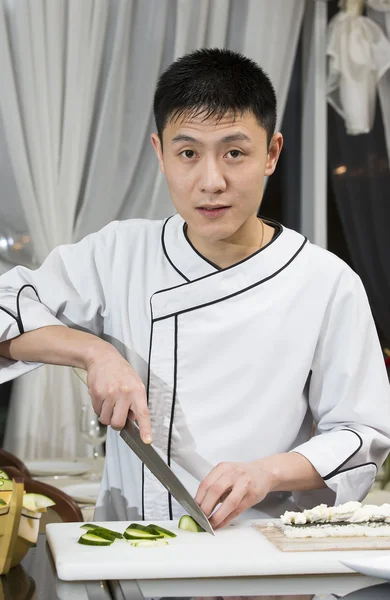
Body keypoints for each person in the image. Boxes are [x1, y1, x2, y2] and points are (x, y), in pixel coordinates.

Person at [0, 49, 389, 529]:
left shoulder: (326, 282)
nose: (211, 181)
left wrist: (266, 473)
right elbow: (5, 307)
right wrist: (93, 352)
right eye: (188, 153)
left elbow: (361, 432)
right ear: (159, 155)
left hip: (266, 557)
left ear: (271, 154)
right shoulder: (118, 252)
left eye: (235, 153)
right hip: (134, 550)